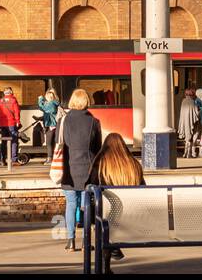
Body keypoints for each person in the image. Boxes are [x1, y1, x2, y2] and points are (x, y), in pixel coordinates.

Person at [87, 132, 144, 267]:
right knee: (111, 222)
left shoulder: (100, 164)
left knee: (103, 223)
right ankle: (113, 246)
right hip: (132, 217)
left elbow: (90, 187)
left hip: (106, 218)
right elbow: (143, 190)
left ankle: (109, 253)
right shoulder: (134, 165)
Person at [58, 88, 101, 253]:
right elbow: (98, 149)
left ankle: (70, 241)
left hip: (68, 169)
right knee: (85, 206)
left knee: (70, 204)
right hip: (87, 170)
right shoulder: (94, 122)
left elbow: (58, 143)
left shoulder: (63, 121)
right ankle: (85, 243)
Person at [0, 87, 23, 165]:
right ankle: (14, 160)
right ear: (11, 92)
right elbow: (17, 112)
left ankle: (2, 160)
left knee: (4, 142)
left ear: (4, 93)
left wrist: (0, 121)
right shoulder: (13, 100)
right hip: (12, 124)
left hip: (2, 124)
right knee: (14, 141)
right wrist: (17, 121)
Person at [177, 87, 200, 159]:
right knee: (191, 136)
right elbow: (196, 113)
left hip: (184, 122)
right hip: (191, 122)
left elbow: (182, 113)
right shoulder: (193, 102)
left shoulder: (183, 101)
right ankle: (189, 153)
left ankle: (185, 152)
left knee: (187, 137)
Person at [38, 89, 61, 158]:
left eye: (46, 96)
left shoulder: (51, 104)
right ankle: (53, 157)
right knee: (52, 142)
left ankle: (50, 158)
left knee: (49, 143)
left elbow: (43, 108)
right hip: (53, 125)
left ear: (48, 97)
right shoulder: (54, 103)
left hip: (51, 125)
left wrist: (40, 99)